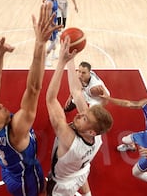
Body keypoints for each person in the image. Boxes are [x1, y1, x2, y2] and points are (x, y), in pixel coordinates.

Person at [0, 3, 62, 196]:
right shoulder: (16, 130)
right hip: (26, 180)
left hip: (9, 171)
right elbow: (33, 88)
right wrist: (40, 44)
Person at [45, 36, 113, 196]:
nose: (79, 115)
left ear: (91, 131)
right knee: (82, 170)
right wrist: (70, 60)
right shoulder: (97, 137)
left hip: (62, 186)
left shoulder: (67, 137)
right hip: (81, 171)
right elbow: (76, 91)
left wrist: (61, 63)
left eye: (84, 118)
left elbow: (51, 99)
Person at [45, 0, 59, 67]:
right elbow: (48, 18)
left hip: (54, 22)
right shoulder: (49, 2)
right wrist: (55, 26)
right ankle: (44, 58)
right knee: (54, 42)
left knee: (55, 40)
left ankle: (53, 55)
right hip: (50, 25)